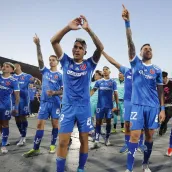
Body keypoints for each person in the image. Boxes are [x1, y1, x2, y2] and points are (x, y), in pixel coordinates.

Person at [50, 15, 104, 172]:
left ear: (85, 51)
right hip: (67, 107)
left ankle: (81, 168)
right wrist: (68, 27)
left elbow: (100, 48)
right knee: (62, 142)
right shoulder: (65, 61)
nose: (77, 49)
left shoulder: (89, 64)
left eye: (80, 48)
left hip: (84, 108)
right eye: (75, 47)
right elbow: (54, 41)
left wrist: (88, 30)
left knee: (84, 140)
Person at [122, 5, 165, 172]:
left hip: (153, 107)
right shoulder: (135, 64)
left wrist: (162, 109)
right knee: (134, 136)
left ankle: (145, 164)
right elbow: (130, 44)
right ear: (139, 53)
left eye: (150, 48)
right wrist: (127, 24)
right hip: (137, 106)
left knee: (149, 137)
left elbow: (160, 91)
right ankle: (129, 168)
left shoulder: (158, 70)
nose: (148, 50)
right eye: (145, 49)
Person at [23, 34, 63, 157]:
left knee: (55, 124)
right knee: (39, 124)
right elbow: (40, 59)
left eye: (53, 60)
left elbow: (63, 91)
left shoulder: (60, 76)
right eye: (49, 60)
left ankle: (52, 145)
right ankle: (36, 148)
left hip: (55, 103)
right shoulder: (45, 71)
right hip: (44, 103)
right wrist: (38, 45)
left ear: (57, 61)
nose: (51, 61)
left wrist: (54, 92)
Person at [102, 51, 146, 154]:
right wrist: (103, 52)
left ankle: (140, 143)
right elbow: (113, 62)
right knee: (126, 123)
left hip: (139, 101)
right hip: (128, 101)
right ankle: (127, 143)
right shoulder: (126, 71)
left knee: (141, 123)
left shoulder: (144, 72)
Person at [91, 66, 118, 148]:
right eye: (104, 70)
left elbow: (115, 94)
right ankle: (96, 140)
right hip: (100, 106)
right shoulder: (99, 82)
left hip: (109, 106)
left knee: (108, 122)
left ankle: (107, 139)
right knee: (98, 122)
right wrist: (85, 98)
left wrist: (117, 105)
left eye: (106, 70)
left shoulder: (113, 82)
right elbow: (93, 91)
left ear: (110, 72)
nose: (105, 71)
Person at [13, 63, 40, 146]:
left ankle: (23, 136)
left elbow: (37, 82)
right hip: (14, 100)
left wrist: (37, 80)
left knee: (23, 117)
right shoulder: (12, 77)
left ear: (20, 66)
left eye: (16, 65)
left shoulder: (26, 76)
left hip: (24, 100)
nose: (15, 67)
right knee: (16, 118)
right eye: (13, 66)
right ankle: (22, 134)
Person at [0, 62, 20, 153]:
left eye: (7, 66)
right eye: (3, 66)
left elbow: (17, 96)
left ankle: (3, 145)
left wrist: (16, 107)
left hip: (6, 106)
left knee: (5, 124)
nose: (4, 67)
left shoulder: (14, 81)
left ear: (12, 70)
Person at [159, 71, 172, 136]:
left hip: (170, 102)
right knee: (164, 117)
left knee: (169, 116)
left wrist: (171, 98)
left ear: (166, 77)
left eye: (163, 78)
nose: (162, 80)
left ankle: (164, 125)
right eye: (161, 78)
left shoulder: (171, 83)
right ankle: (162, 128)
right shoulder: (159, 84)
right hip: (162, 103)